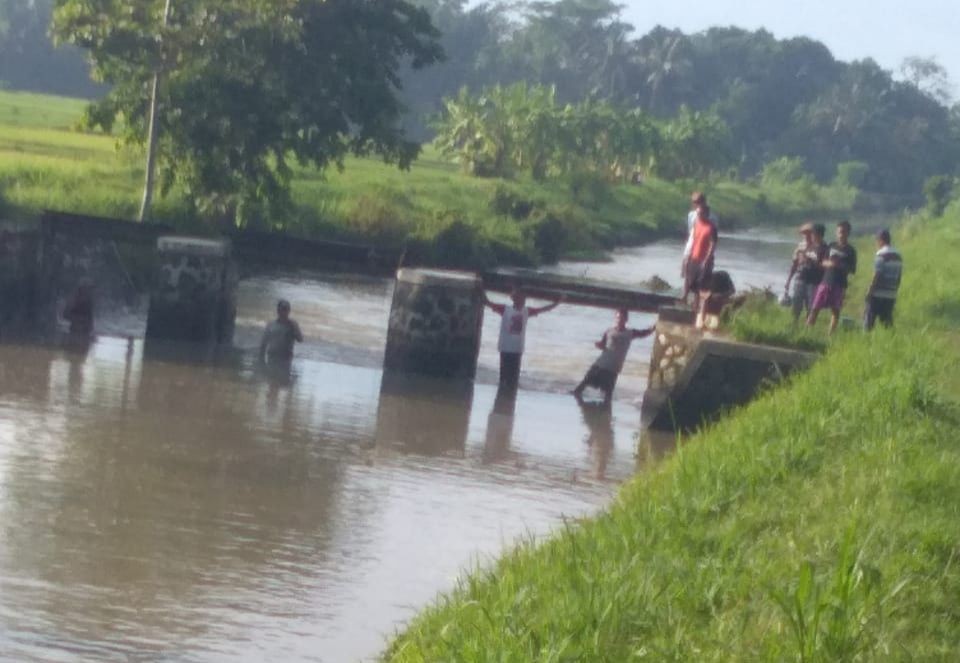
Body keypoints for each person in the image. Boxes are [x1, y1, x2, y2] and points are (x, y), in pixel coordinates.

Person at [573, 308, 655, 406]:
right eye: (618, 318)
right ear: (615, 318)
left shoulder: (630, 333)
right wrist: (599, 345)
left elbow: (645, 333)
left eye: (622, 318)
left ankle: (604, 414)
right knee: (581, 387)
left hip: (613, 369)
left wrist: (654, 326)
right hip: (600, 365)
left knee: (607, 395)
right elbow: (603, 345)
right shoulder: (609, 331)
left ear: (626, 320)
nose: (619, 320)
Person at [484, 288, 561, 391]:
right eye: (521, 298)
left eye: (524, 299)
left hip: (517, 349)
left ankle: (509, 394)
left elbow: (544, 309)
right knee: (504, 377)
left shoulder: (527, 311)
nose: (523, 301)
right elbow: (488, 303)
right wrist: (480, 289)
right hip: (505, 348)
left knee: (514, 378)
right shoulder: (505, 309)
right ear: (515, 299)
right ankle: (503, 395)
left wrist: (558, 302)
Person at [807, 220, 857, 334]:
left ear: (848, 233)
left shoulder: (851, 250)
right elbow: (822, 261)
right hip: (825, 281)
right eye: (839, 231)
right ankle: (807, 332)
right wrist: (830, 264)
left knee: (835, 311)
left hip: (839, 284)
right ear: (836, 232)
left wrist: (840, 265)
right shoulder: (831, 245)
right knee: (815, 307)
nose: (841, 234)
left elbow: (852, 269)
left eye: (844, 232)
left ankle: (830, 335)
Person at [784, 222, 828, 323]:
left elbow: (824, 265)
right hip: (800, 278)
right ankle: (794, 325)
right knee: (796, 303)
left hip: (814, 281)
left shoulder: (823, 247)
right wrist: (788, 281)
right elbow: (795, 264)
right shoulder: (802, 246)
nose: (807, 236)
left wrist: (811, 260)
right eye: (805, 234)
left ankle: (807, 329)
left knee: (810, 306)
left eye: (810, 233)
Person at [864, 229, 903, 331]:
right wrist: (895, 291)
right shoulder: (898, 256)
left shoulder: (881, 255)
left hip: (878, 294)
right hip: (891, 294)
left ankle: (865, 341)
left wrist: (869, 290)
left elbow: (877, 274)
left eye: (877, 241)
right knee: (887, 323)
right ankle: (891, 341)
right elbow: (899, 277)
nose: (876, 244)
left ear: (880, 240)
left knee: (869, 321)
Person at [682, 203, 719, 311]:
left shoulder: (711, 228)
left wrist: (706, 260)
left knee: (702, 288)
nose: (698, 215)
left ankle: (698, 312)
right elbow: (693, 241)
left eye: (700, 213)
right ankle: (690, 304)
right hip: (694, 258)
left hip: (704, 261)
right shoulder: (696, 225)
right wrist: (688, 257)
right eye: (697, 213)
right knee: (691, 284)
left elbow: (712, 245)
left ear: (706, 214)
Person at [259, 299, 303, 365]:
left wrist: (294, 328)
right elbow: (263, 343)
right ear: (278, 311)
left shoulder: (293, 325)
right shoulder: (271, 325)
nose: (284, 312)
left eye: (286, 310)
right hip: (272, 356)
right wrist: (261, 360)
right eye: (282, 309)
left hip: (286, 358)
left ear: (289, 311)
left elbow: (300, 340)